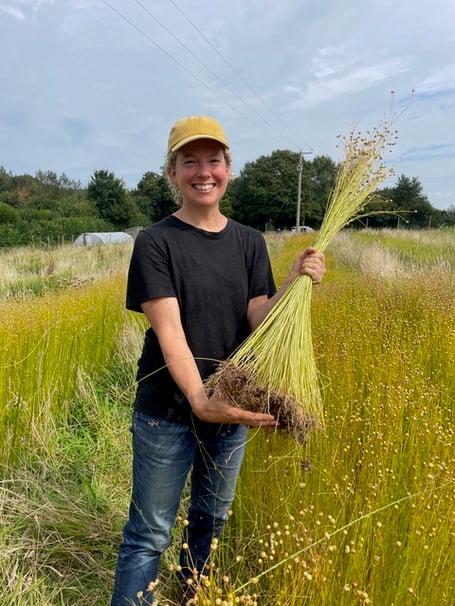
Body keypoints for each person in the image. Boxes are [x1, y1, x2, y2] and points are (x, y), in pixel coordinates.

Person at [111, 115, 326, 605]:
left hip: (232, 407)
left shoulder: (249, 241)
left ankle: (193, 598)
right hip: (167, 412)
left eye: (214, 160)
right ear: (172, 172)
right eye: (190, 162)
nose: (203, 172)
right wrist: (199, 399)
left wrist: (294, 283)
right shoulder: (156, 242)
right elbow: (171, 335)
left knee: (209, 524)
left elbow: (257, 315)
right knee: (150, 536)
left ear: (229, 168)